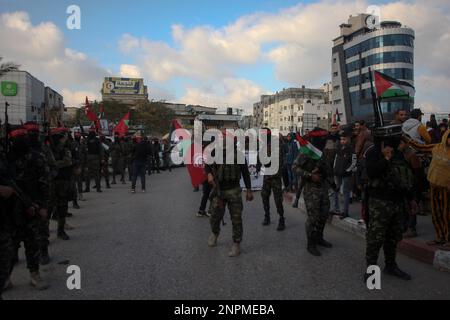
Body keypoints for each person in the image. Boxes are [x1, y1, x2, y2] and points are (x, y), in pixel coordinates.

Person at [365, 133, 414, 281]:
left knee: (393, 237)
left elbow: (406, 176)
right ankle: (371, 269)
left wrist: (411, 199)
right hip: (379, 202)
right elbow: (371, 172)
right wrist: (385, 158)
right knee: (376, 238)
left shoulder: (399, 153)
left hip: (397, 201)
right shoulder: (373, 152)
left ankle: (391, 266)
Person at [6, 127, 51, 290]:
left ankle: (34, 274)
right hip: (10, 211)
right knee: (8, 246)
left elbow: (45, 183)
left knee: (32, 243)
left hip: (33, 206)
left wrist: (44, 206)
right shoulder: (6, 158)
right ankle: (6, 277)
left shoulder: (36, 157)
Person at [206, 136, 253, 257]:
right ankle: (215, 233)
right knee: (214, 216)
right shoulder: (215, 152)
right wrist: (209, 174)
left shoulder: (239, 155)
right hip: (219, 191)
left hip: (234, 190)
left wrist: (249, 190)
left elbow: (245, 173)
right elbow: (207, 164)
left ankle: (236, 243)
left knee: (236, 219)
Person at [293, 129, 334, 256]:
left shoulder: (322, 152)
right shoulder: (307, 152)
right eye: (323, 139)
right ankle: (311, 244)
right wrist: (310, 175)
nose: (325, 142)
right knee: (313, 217)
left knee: (324, 214)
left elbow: (327, 168)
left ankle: (319, 237)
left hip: (323, 187)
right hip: (311, 189)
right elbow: (294, 167)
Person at [427, 129, 450, 248]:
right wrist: (406, 139)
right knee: (436, 212)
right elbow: (421, 147)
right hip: (434, 185)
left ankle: (448, 239)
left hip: (447, 188)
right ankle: (440, 236)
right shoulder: (437, 148)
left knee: (447, 214)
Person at [50, 128, 73, 241]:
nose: (64, 139)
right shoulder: (47, 150)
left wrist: (53, 164)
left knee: (62, 208)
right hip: (50, 183)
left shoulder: (65, 150)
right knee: (48, 208)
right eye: (63, 137)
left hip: (63, 182)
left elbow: (68, 162)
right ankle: (44, 236)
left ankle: (61, 231)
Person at [260, 129, 286, 231]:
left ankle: (281, 219)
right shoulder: (264, 145)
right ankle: (267, 216)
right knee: (264, 196)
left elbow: (280, 162)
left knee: (278, 199)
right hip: (267, 176)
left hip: (275, 177)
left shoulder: (276, 145)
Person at [332, 132, 356, 219]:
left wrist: (347, 171)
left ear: (348, 139)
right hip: (337, 173)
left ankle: (345, 211)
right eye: (341, 139)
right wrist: (334, 169)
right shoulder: (338, 148)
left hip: (346, 175)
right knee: (335, 190)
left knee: (346, 192)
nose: (342, 141)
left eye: (344, 139)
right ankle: (336, 208)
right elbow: (335, 159)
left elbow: (354, 163)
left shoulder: (352, 150)